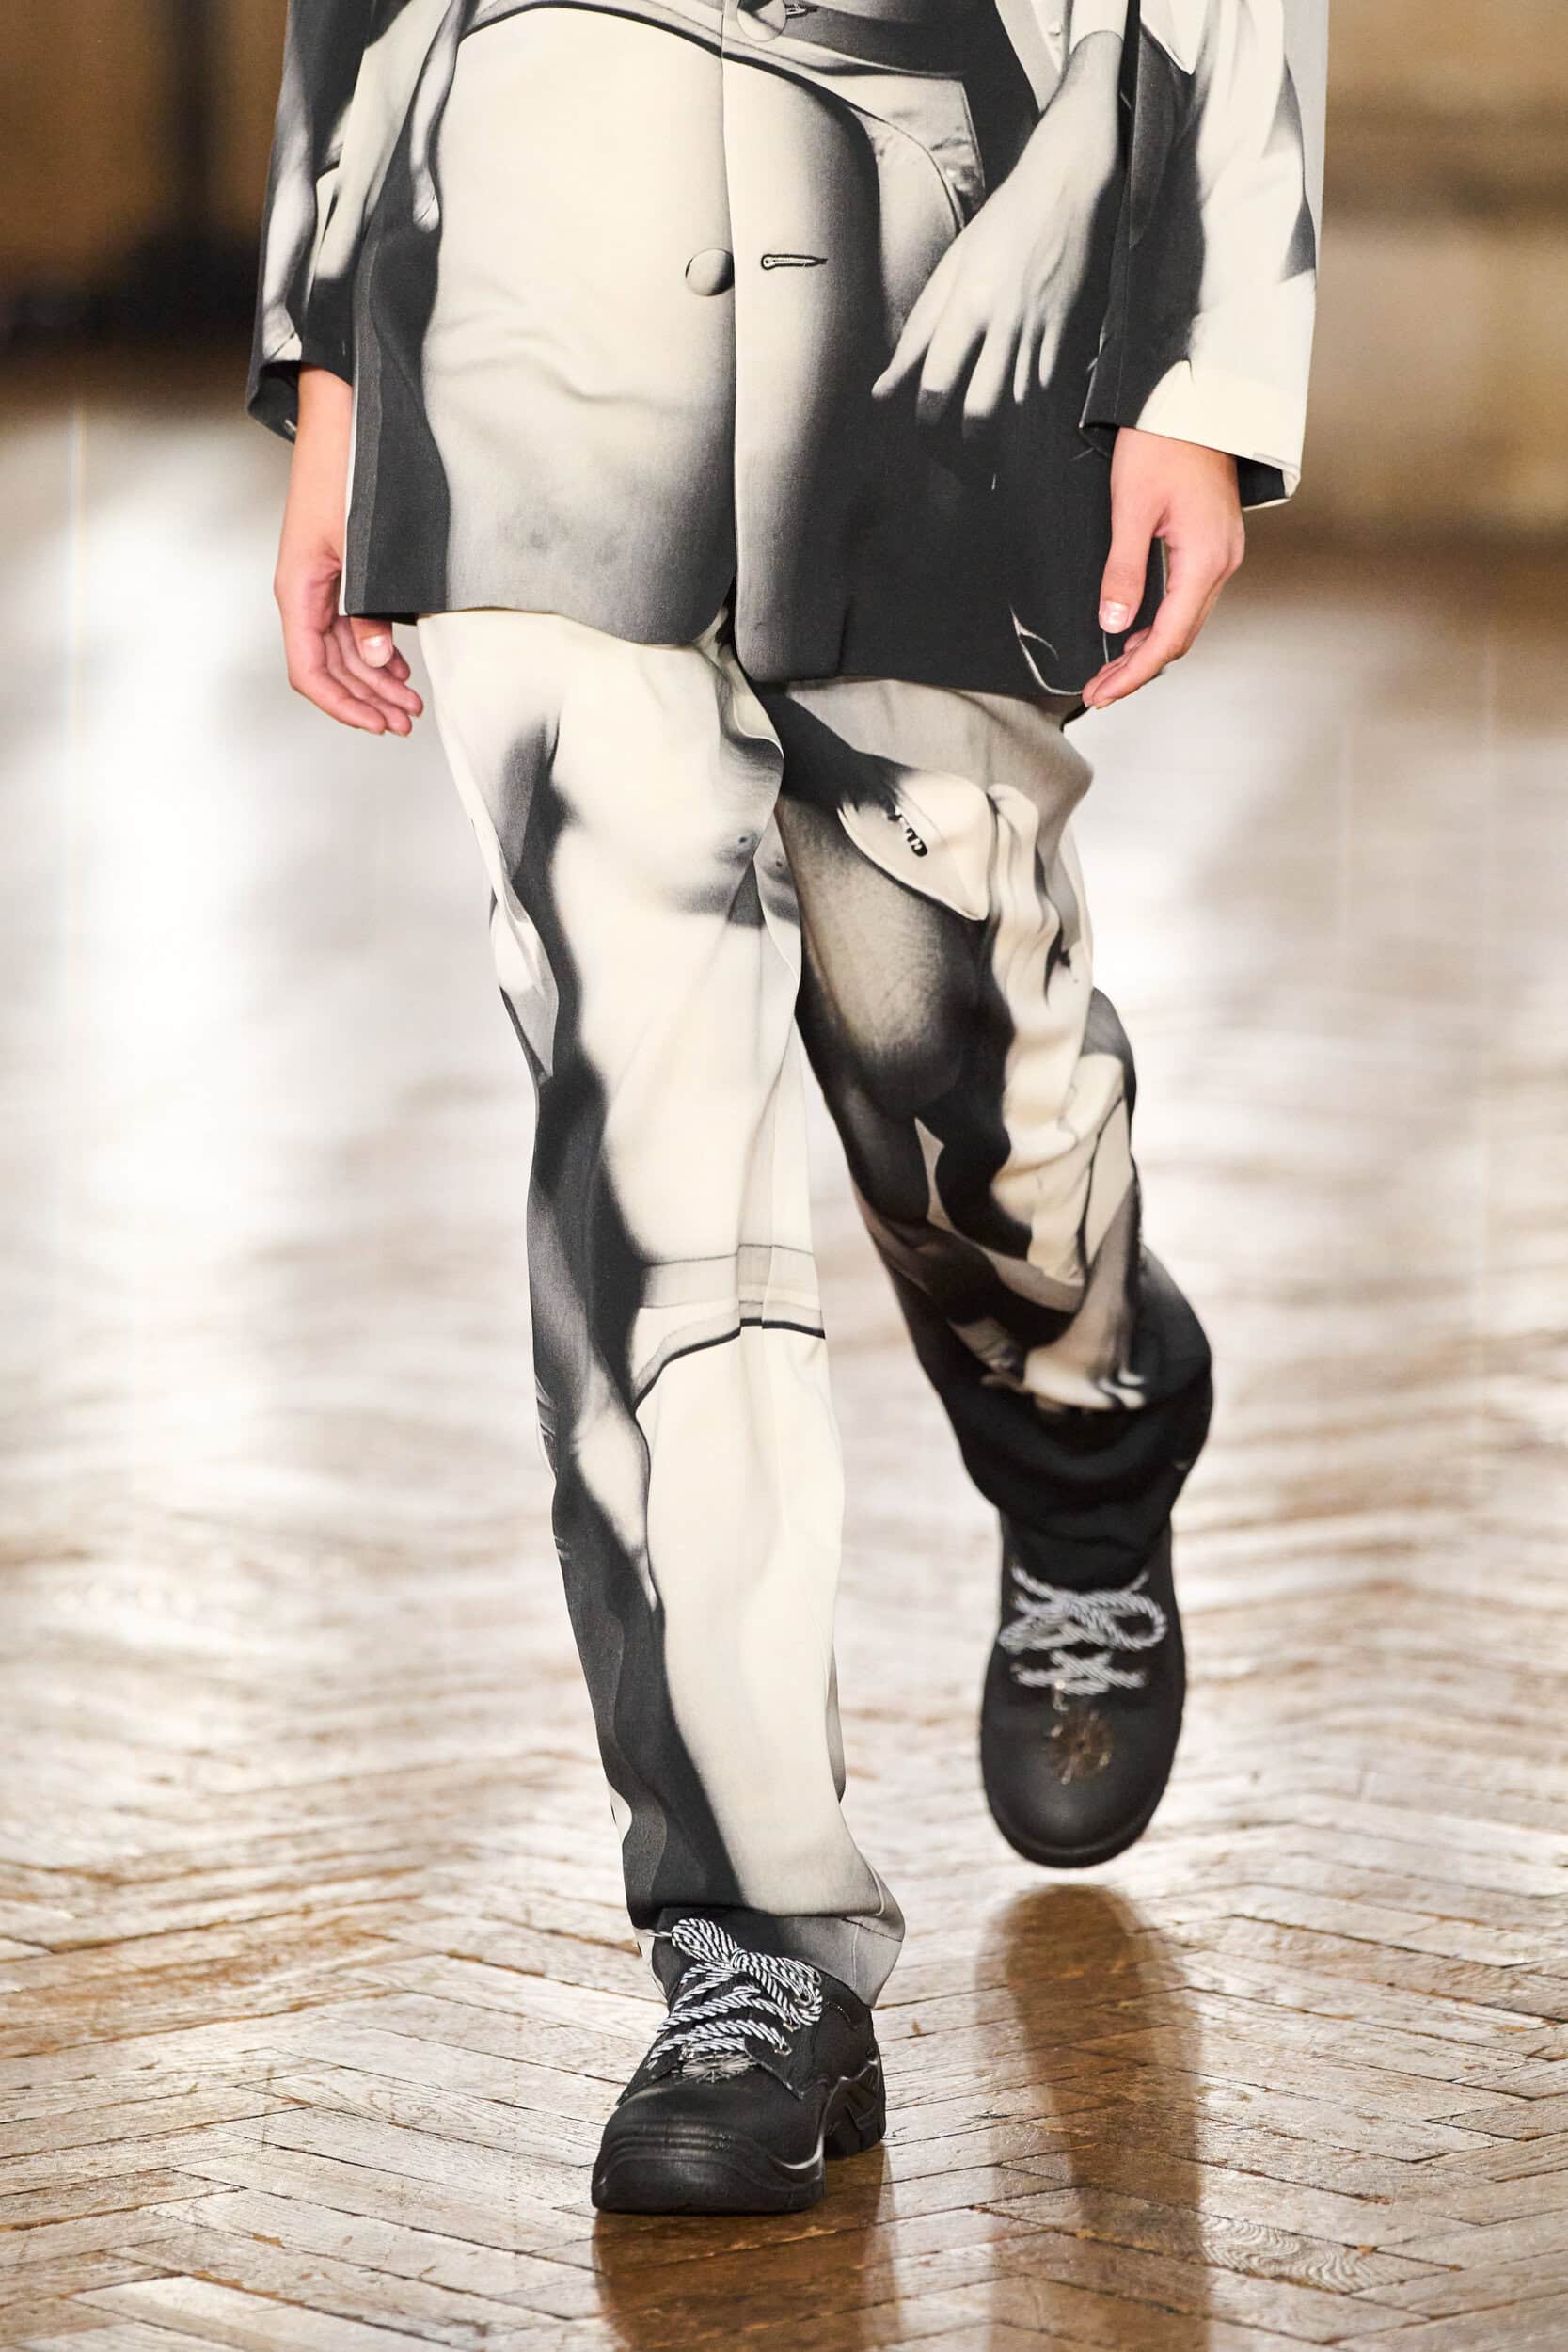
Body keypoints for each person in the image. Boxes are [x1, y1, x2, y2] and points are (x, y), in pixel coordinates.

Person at [253, 0, 1324, 2216]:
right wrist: (341, 342)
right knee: (641, 1150)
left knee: (954, 1052)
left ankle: (1085, 1422)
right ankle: (748, 1944)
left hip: (960, 280)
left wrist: (1203, 355)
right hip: (522, 279)